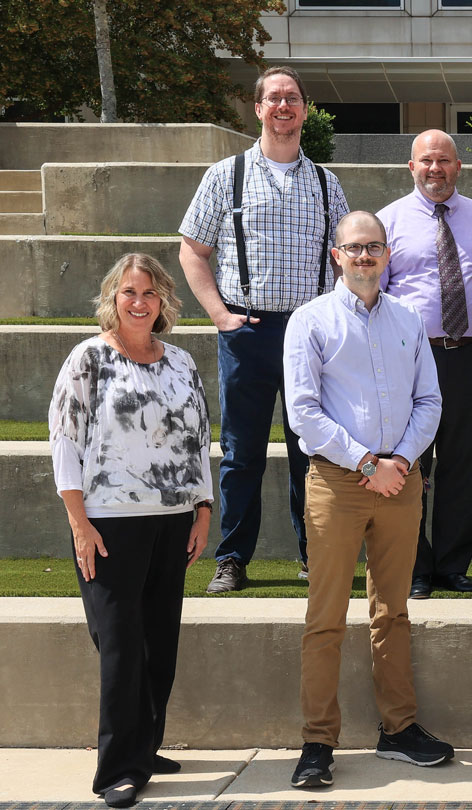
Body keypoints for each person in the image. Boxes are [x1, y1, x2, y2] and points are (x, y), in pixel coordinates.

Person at [282, 211, 452, 789]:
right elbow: (302, 409)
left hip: (400, 483)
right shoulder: (311, 321)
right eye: (354, 247)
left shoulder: (408, 319)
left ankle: (398, 730)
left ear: (387, 254)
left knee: (393, 612)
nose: (364, 256)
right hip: (338, 482)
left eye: (373, 247)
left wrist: (399, 461)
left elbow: (429, 400)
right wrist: (365, 462)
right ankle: (317, 742)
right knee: (325, 617)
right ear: (336, 254)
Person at [49, 253, 213, 809]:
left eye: (149, 292)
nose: (139, 302)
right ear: (112, 299)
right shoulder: (88, 358)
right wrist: (78, 521)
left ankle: (144, 745)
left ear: (164, 300)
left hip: (171, 521)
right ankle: (118, 768)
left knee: (159, 641)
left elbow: (198, 440)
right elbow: (64, 442)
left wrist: (203, 509)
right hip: (109, 524)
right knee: (120, 645)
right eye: (128, 292)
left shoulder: (182, 363)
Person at [179, 66, 350, 592]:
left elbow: (346, 257)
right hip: (246, 330)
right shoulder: (224, 176)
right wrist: (219, 316)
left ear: (305, 109)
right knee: (241, 452)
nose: (283, 107)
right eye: (273, 98)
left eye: (292, 98)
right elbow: (192, 250)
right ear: (258, 109)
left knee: (312, 450)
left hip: (310, 334)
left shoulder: (326, 182)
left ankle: (313, 556)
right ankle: (231, 558)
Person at [378, 129, 472, 600]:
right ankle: (414, 566)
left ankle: (453, 565)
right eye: (426, 161)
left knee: (464, 464)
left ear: (459, 167)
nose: (435, 169)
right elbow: (373, 295)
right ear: (411, 168)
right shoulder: (388, 223)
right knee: (409, 463)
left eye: (444, 161)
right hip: (409, 358)